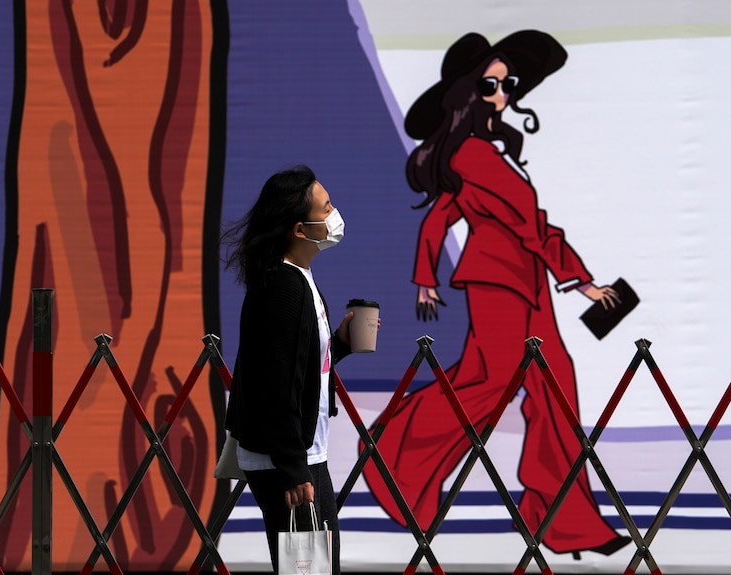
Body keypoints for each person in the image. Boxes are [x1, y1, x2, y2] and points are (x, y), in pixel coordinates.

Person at [361, 31, 631, 557]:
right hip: (497, 284)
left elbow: (476, 220)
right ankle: (393, 459)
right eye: (490, 84)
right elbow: (522, 226)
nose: (503, 93)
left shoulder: (497, 153)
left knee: (557, 390)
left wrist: (578, 280)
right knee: (487, 384)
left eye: (508, 84)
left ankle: (563, 521)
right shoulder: (472, 156)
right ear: (467, 92)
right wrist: (579, 280)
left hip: (529, 282)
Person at [222, 165, 359, 574]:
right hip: (290, 460)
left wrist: (341, 345)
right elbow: (276, 381)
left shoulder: (296, 278)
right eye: (327, 206)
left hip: (298, 455)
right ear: (300, 230)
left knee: (311, 569)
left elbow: (299, 363)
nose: (335, 215)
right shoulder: (284, 286)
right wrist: (294, 468)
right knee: (310, 571)